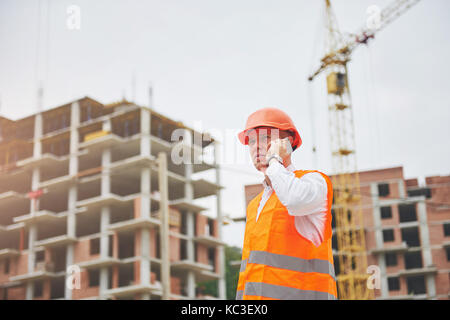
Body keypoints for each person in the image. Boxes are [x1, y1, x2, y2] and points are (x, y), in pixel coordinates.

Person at [235, 107, 337, 300]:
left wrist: (275, 160)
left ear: (288, 143)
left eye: (265, 138)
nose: (256, 146)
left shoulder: (314, 182)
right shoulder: (255, 205)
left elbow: (293, 200)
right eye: (252, 141)